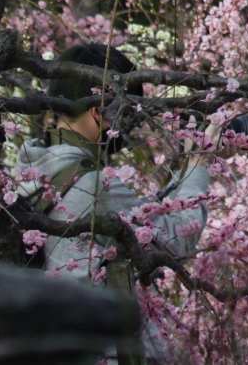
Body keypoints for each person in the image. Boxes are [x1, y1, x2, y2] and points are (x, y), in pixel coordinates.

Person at [14, 41, 216, 365]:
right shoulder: (97, 186)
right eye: (129, 112)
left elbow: (142, 223)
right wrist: (199, 164)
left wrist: (181, 174)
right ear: (99, 111)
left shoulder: (26, 174)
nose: (134, 124)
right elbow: (178, 235)